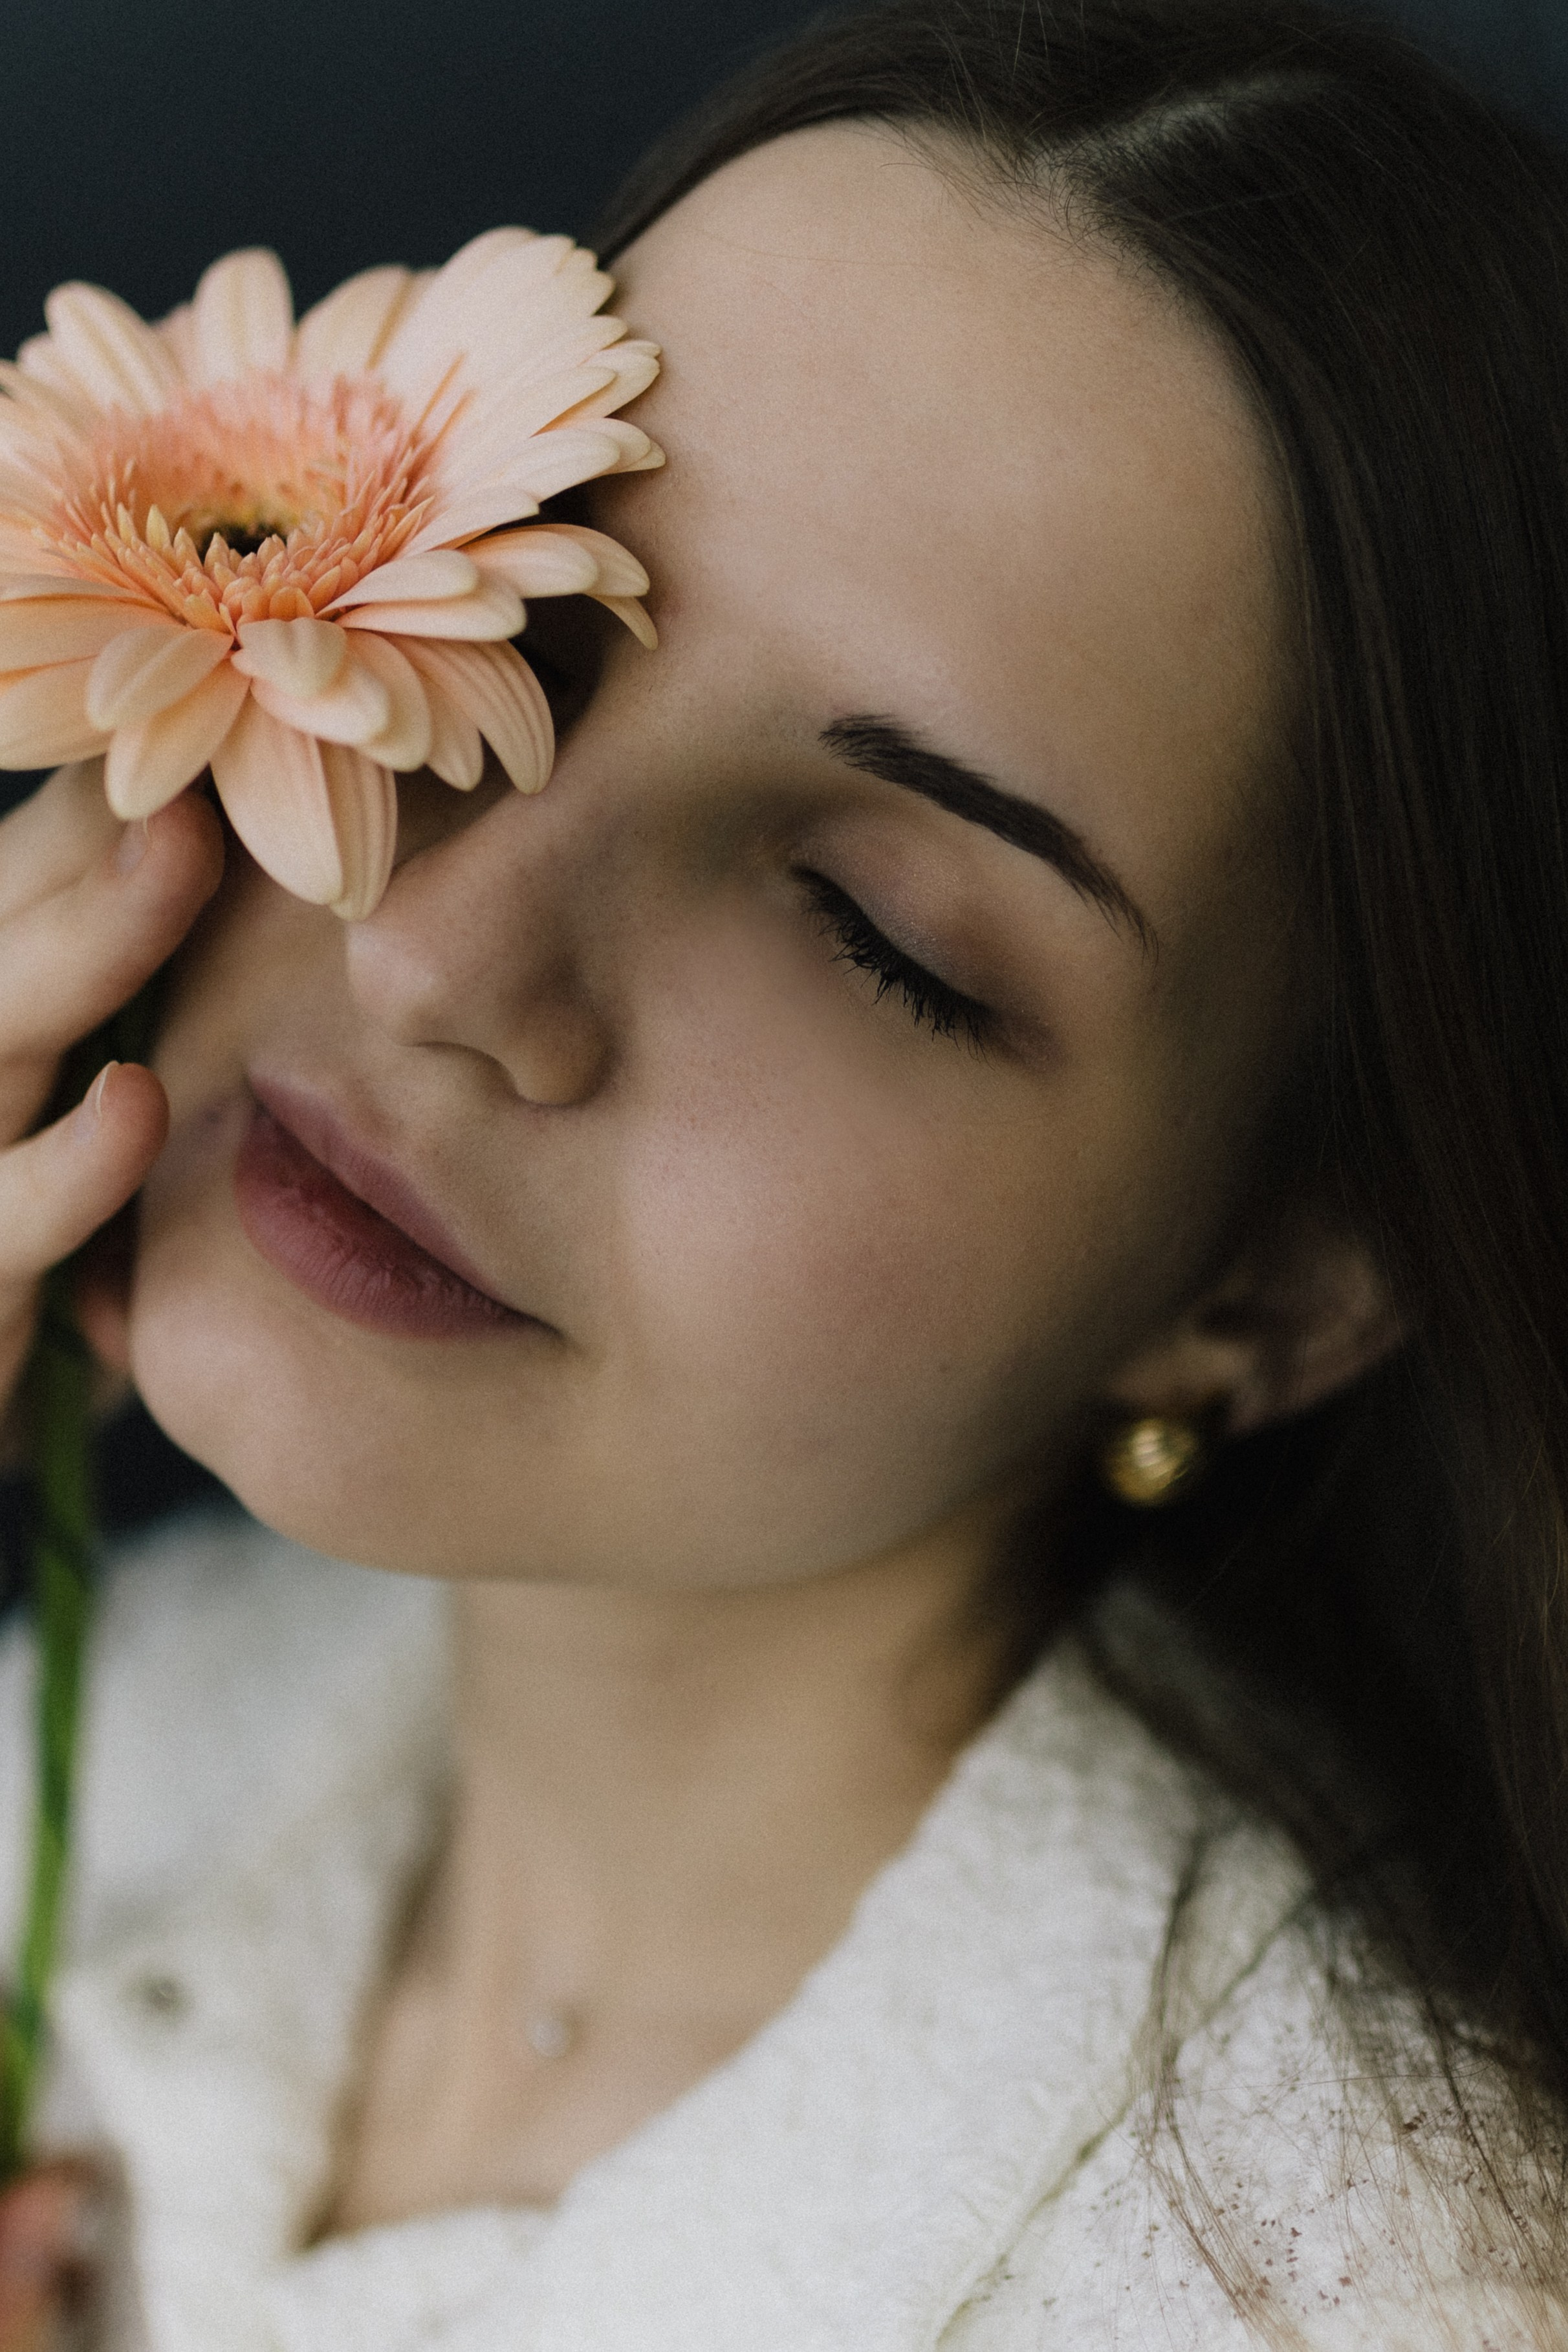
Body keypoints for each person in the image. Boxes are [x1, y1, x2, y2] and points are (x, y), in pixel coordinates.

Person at [1, 0, 1566, 2342]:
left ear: (1269, 1279)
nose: (430, 945)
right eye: (496, 621)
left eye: (868, 929)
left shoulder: (1344, 2282)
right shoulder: (145, 1737)